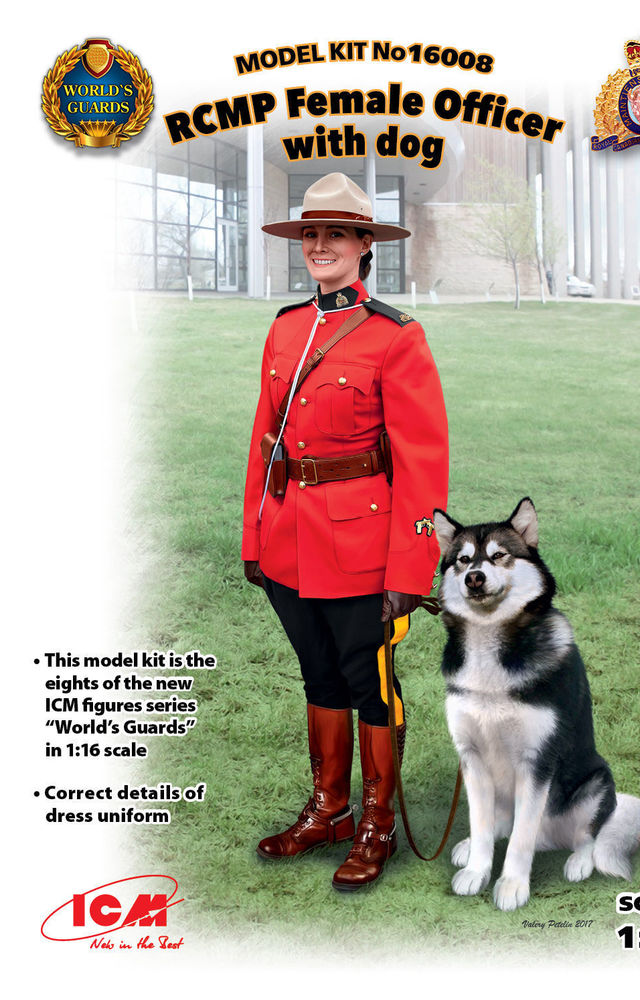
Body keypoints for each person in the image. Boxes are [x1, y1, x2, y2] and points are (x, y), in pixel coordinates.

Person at [241, 172, 448, 891]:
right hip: (289, 538)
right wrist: (253, 536)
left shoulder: (395, 335)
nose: (319, 245)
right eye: (309, 234)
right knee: (318, 674)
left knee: (370, 684)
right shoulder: (285, 327)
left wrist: (409, 572)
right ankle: (328, 808)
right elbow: (264, 442)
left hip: (363, 546)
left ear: (365, 245)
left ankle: (375, 822)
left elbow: (421, 465)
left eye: (335, 233)